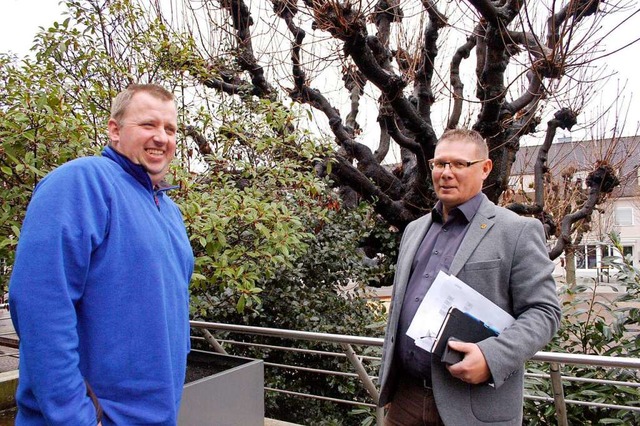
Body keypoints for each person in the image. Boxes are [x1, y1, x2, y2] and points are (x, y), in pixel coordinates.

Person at [9, 84, 194, 425]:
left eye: (170, 129)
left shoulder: (169, 211)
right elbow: (41, 305)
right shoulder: (81, 182)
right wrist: (75, 418)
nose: (161, 137)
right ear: (114, 130)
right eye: (148, 125)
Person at [378, 129, 561, 425]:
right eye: (440, 164)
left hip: (472, 408)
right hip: (405, 400)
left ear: (485, 169)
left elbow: (545, 312)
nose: (446, 173)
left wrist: (492, 357)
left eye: (460, 165)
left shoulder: (516, 231)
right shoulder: (414, 230)